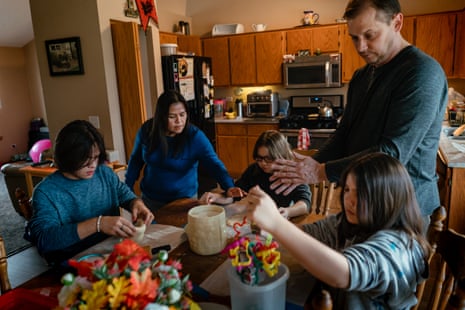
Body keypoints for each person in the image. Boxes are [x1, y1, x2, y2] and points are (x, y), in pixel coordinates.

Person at [270, 0, 448, 220]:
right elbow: (344, 135)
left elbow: (391, 155)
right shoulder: (362, 76)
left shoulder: (421, 73)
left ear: (397, 23)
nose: (360, 47)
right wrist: (312, 164)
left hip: (403, 211)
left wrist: (320, 172)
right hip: (363, 203)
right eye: (354, 37)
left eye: (370, 35)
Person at [246, 152, 430, 308]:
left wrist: (277, 224)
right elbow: (315, 231)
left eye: (362, 193)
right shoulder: (353, 222)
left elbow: (344, 273)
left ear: (387, 198)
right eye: (348, 189)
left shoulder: (398, 246)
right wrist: (270, 234)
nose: (350, 200)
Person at [27, 120, 154, 265]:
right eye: (86, 160)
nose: (93, 165)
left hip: (111, 254)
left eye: (96, 158)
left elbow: (123, 193)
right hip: (73, 265)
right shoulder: (46, 192)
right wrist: (98, 224)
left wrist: (135, 203)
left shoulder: (104, 173)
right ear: (67, 157)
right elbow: (45, 240)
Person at [125, 90, 241, 212]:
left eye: (182, 114)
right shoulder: (147, 131)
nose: (179, 121)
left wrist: (229, 186)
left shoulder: (195, 136)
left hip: (185, 201)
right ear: (161, 116)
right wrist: (128, 193)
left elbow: (214, 165)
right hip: (151, 200)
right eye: (172, 116)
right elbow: (135, 161)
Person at [201, 130, 310, 219]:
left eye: (268, 159)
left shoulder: (293, 173)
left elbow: (304, 203)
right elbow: (235, 196)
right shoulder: (254, 170)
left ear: (281, 155)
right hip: (257, 220)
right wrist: (216, 197)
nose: (263, 163)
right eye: (259, 158)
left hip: (281, 222)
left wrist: (288, 211)